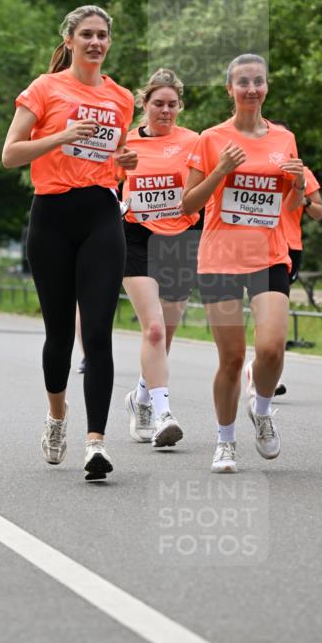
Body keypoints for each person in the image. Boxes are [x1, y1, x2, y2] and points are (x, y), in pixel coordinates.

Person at [2, 4, 137, 481]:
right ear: (70, 39)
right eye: (87, 35)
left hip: (102, 214)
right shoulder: (45, 88)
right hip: (53, 217)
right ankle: (57, 417)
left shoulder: (122, 97)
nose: (96, 42)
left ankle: (95, 443)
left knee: (97, 332)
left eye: (103, 35)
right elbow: (10, 154)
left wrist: (125, 161)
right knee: (59, 334)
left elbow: (109, 159)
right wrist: (60, 135)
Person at [183, 54, 306, 473]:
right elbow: (189, 204)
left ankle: (264, 410)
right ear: (229, 89)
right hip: (221, 256)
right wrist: (221, 170)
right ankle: (225, 441)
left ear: (267, 87)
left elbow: (288, 205)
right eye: (243, 82)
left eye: (258, 81)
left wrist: (301, 185)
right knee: (233, 358)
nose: (251, 89)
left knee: (271, 349)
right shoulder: (211, 138)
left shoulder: (284, 138)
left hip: (269, 254)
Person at [120, 68, 200, 448]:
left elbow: (209, 186)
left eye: (172, 105)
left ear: (180, 107)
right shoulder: (127, 142)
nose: (165, 111)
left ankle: (140, 397)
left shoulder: (194, 141)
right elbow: (104, 182)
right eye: (158, 104)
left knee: (165, 334)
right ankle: (163, 411)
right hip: (136, 236)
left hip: (181, 238)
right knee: (152, 329)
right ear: (144, 104)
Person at [246, 121, 322, 398]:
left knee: (275, 311)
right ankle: (260, 370)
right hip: (262, 245)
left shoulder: (303, 172)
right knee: (263, 311)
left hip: (291, 245)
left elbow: (319, 213)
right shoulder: (255, 168)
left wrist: (302, 196)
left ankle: (258, 367)